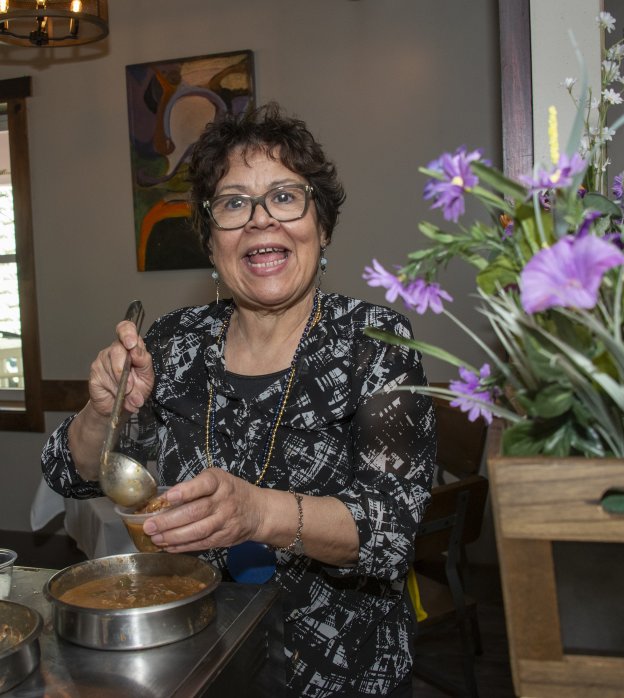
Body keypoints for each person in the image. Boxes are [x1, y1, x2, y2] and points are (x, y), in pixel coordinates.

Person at [41, 102, 436, 697]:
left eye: (285, 196)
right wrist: (104, 412)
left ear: (322, 226)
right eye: (233, 204)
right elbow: (66, 473)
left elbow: (391, 531)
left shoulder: (375, 343)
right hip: (196, 657)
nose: (260, 220)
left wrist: (258, 514)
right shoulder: (175, 340)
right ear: (210, 241)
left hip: (340, 671)